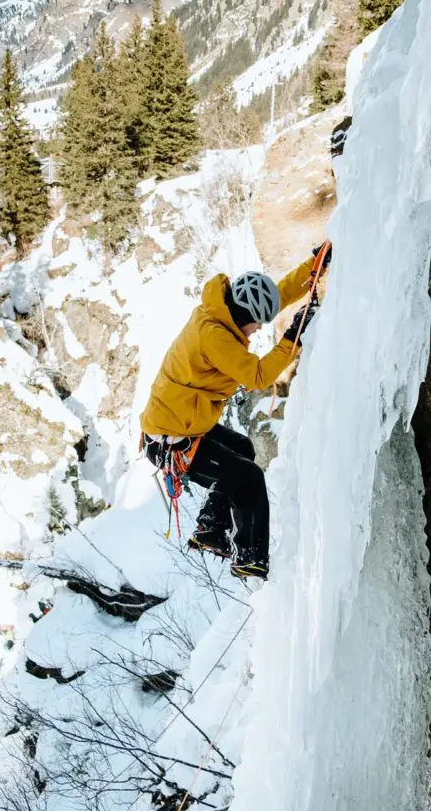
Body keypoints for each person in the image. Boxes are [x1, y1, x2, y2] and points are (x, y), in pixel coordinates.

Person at [140, 248, 330, 580]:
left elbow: (277, 295)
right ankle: (251, 558)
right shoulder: (214, 336)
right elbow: (259, 376)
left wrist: (312, 268)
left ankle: (212, 527)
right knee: (249, 477)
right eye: (257, 324)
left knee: (243, 451)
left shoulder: (221, 313)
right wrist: (292, 338)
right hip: (170, 441)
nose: (257, 330)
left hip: (180, 423)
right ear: (245, 316)